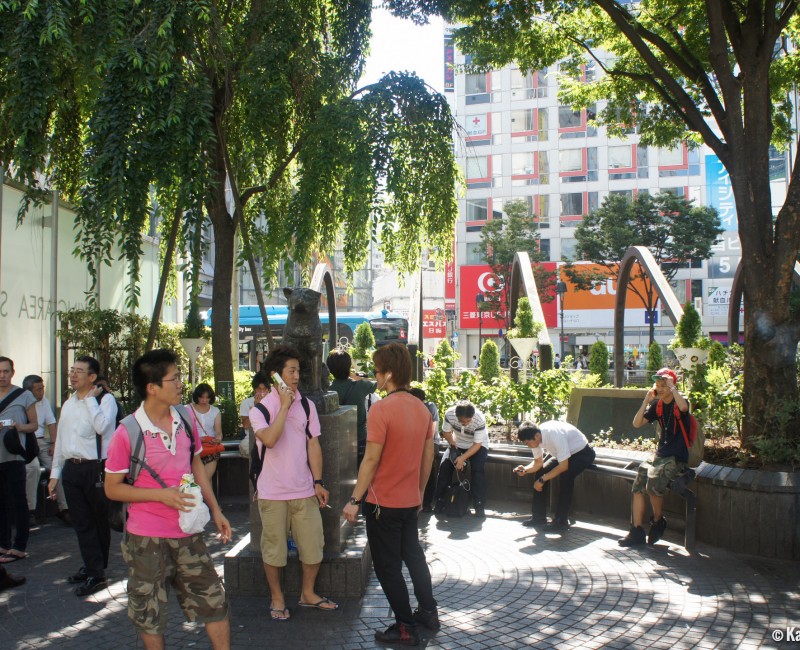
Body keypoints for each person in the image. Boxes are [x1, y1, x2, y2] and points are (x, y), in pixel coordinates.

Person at [105, 348, 231, 649]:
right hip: (145, 539)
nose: (180, 384)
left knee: (214, 602)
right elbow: (112, 488)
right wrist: (160, 495)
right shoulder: (128, 431)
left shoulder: (185, 418)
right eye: (174, 379)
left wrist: (216, 510)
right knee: (149, 614)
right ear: (152, 387)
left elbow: (196, 462)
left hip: (188, 532)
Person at [342, 343, 438, 646]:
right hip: (409, 501)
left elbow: (371, 459)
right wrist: (419, 493)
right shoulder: (422, 409)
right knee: (414, 557)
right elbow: (428, 457)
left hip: (382, 503)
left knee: (387, 567)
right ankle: (428, 612)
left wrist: (354, 500)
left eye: (377, 370)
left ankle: (406, 627)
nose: (375, 376)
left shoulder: (381, 409)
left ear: (389, 374)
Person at [249, 346, 337, 622]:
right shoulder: (260, 410)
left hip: (304, 489)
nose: (297, 376)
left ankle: (308, 593)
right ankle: (277, 597)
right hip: (272, 492)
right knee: (274, 549)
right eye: (291, 371)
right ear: (276, 375)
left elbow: (313, 445)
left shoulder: (307, 405)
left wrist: (318, 481)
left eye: (298, 371)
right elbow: (270, 440)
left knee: (313, 545)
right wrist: (285, 406)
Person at [49, 355, 116, 595]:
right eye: (72, 370)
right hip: (72, 469)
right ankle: (92, 567)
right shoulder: (69, 404)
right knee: (81, 522)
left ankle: (96, 571)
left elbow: (102, 427)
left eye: (79, 371)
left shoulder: (106, 400)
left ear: (92, 377)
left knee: (98, 521)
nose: (73, 375)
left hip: (95, 468)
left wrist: (90, 401)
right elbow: (62, 441)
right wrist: (55, 474)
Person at [619, 367, 691, 547]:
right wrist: (646, 400)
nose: (659, 389)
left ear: (672, 386)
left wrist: (672, 387)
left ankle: (658, 520)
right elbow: (636, 423)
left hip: (676, 457)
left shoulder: (680, 402)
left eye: (663, 385)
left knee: (652, 485)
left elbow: (684, 408)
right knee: (638, 485)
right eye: (657, 385)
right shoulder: (657, 406)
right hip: (659, 456)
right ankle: (636, 531)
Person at [513, 421, 596, 531]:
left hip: (582, 453)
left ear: (536, 436)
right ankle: (538, 517)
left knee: (566, 476)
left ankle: (561, 522)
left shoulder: (554, 435)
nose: (528, 446)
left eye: (527, 443)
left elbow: (563, 467)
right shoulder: (535, 436)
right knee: (541, 472)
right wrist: (525, 470)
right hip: (564, 454)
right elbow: (538, 464)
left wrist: (542, 480)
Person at [0, 356, 38, 563]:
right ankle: (3, 544)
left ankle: (19, 546)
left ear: (12, 373)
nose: (2, 375)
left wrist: (17, 427)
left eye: (6, 371)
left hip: (14, 454)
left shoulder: (24, 395)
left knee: (18, 501)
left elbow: (34, 425)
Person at [22, 375, 70, 525]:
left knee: (57, 467)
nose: (42, 392)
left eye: (42, 388)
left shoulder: (44, 401)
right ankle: (30, 510)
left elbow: (51, 423)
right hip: (27, 441)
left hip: (42, 441)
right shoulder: (22, 401)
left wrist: (54, 444)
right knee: (33, 468)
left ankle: (64, 508)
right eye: (38, 389)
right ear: (29, 391)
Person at [433, 400, 489, 518]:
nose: (465, 423)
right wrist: (453, 446)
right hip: (457, 443)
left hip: (477, 445)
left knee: (477, 470)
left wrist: (462, 458)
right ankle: (440, 501)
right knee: (444, 466)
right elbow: (446, 432)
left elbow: (477, 445)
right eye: (462, 421)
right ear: (456, 415)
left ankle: (479, 504)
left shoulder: (479, 419)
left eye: (468, 421)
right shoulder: (449, 414)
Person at [326, 349, 377, 465]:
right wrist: (357, 378)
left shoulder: (328, 390)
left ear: (330, 369)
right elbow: (379, 383)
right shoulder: (360, 385)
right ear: (349, 366)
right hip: (359, 439)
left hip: (338, 441)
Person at [408, 387, 439, 512]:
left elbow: (431, 431)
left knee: (428, 467)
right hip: (414, 443)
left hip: (430, 443)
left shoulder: (430, 407)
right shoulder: (410, 408)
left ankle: (427, 502)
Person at [189, 383, 223, 482]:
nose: (204, 400)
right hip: (193, 448)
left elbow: (218, 432)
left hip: (210, 447)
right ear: (197, 397)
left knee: (205, 479)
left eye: (207, 397)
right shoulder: (188, 409)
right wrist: (196, 439)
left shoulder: (215, 411)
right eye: (201, 397)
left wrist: (218, 439)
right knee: (205, 481)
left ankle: (201, 491)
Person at [238, 376, 270, 458]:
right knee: (246, 445)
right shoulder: (246, 403)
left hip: (270, 434)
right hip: (252, 437)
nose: (262, 392)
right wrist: (256, 407)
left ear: (268, 390)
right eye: (259, 389)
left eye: (265, 389)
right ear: (255, 390)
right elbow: (246, 425)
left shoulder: (274, 402)